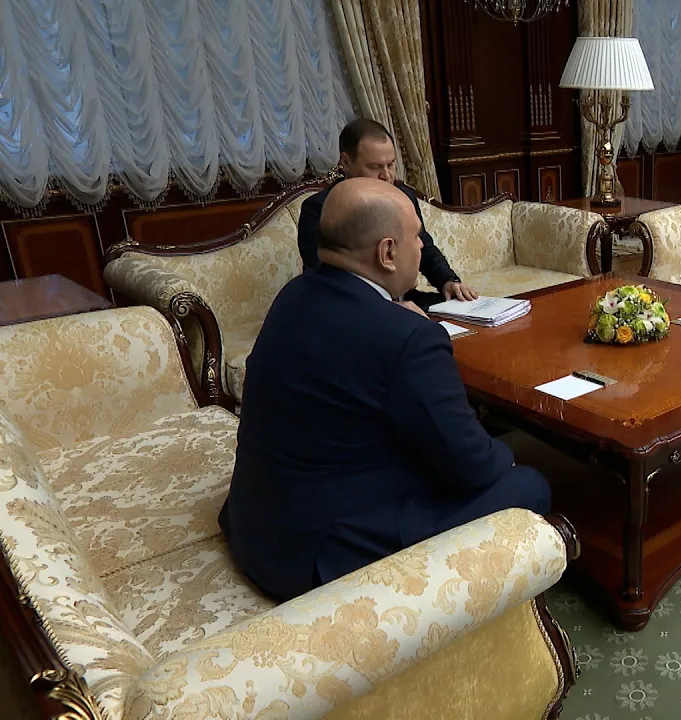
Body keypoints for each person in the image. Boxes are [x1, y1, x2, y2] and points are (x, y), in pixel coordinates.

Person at [218, 176, 551, 602]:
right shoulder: (407, 337)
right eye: (417, 236)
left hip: (256, 525)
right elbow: (473, 465)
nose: (422, 246)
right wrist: (511, 453)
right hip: (318, 556)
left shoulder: (292, 296)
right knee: (529, 484)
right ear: (387, 252)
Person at [297, 118, 478, 310]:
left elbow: (423, 247)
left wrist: (448, 281)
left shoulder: (403, 196)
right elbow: (325, 276)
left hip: (407, 300)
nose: (386, 175)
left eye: (391, 164)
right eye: (375, 167)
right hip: (353, 309)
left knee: (464, 311)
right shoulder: (319, 208)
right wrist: (388, 310)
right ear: (346, 162)